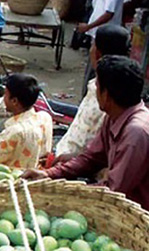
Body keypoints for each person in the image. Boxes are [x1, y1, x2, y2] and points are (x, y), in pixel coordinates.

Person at [24, 56, 149, 211]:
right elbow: (91, 158)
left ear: (106, 95)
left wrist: (67, 193)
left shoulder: (135, 134)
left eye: (97, 87)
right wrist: (49, 174)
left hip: (134, 214)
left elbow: (113, 191)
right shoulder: (113, 116)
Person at [55, 25, 131, 163]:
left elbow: (98, 156)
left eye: (92, 45)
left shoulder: (110, 98)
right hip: (66, 157)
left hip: (76, 166)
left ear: (97, 53)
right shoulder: (98, 86)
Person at [77, 0, 124, 97]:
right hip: (99, 33)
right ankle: (88, 96)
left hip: (106, 35)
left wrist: (88, 26)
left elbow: (109, 13)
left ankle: (91, 97)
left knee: (97, 69)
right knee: (93, 68)